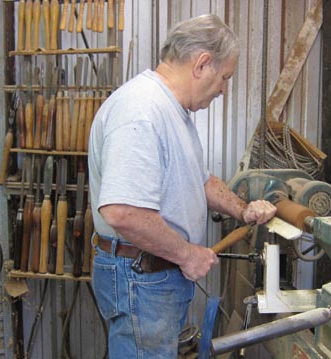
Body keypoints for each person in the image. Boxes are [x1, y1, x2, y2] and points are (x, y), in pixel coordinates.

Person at [87, 14, 277, 358]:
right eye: (225, 78)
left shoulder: (171, 110)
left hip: (155, 275)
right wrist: (188, 254)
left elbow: (198, 179)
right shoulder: (141, 110)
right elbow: (123, 212)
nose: (223, 90)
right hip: (141, 278)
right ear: (202, 63)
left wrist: (241, 209)